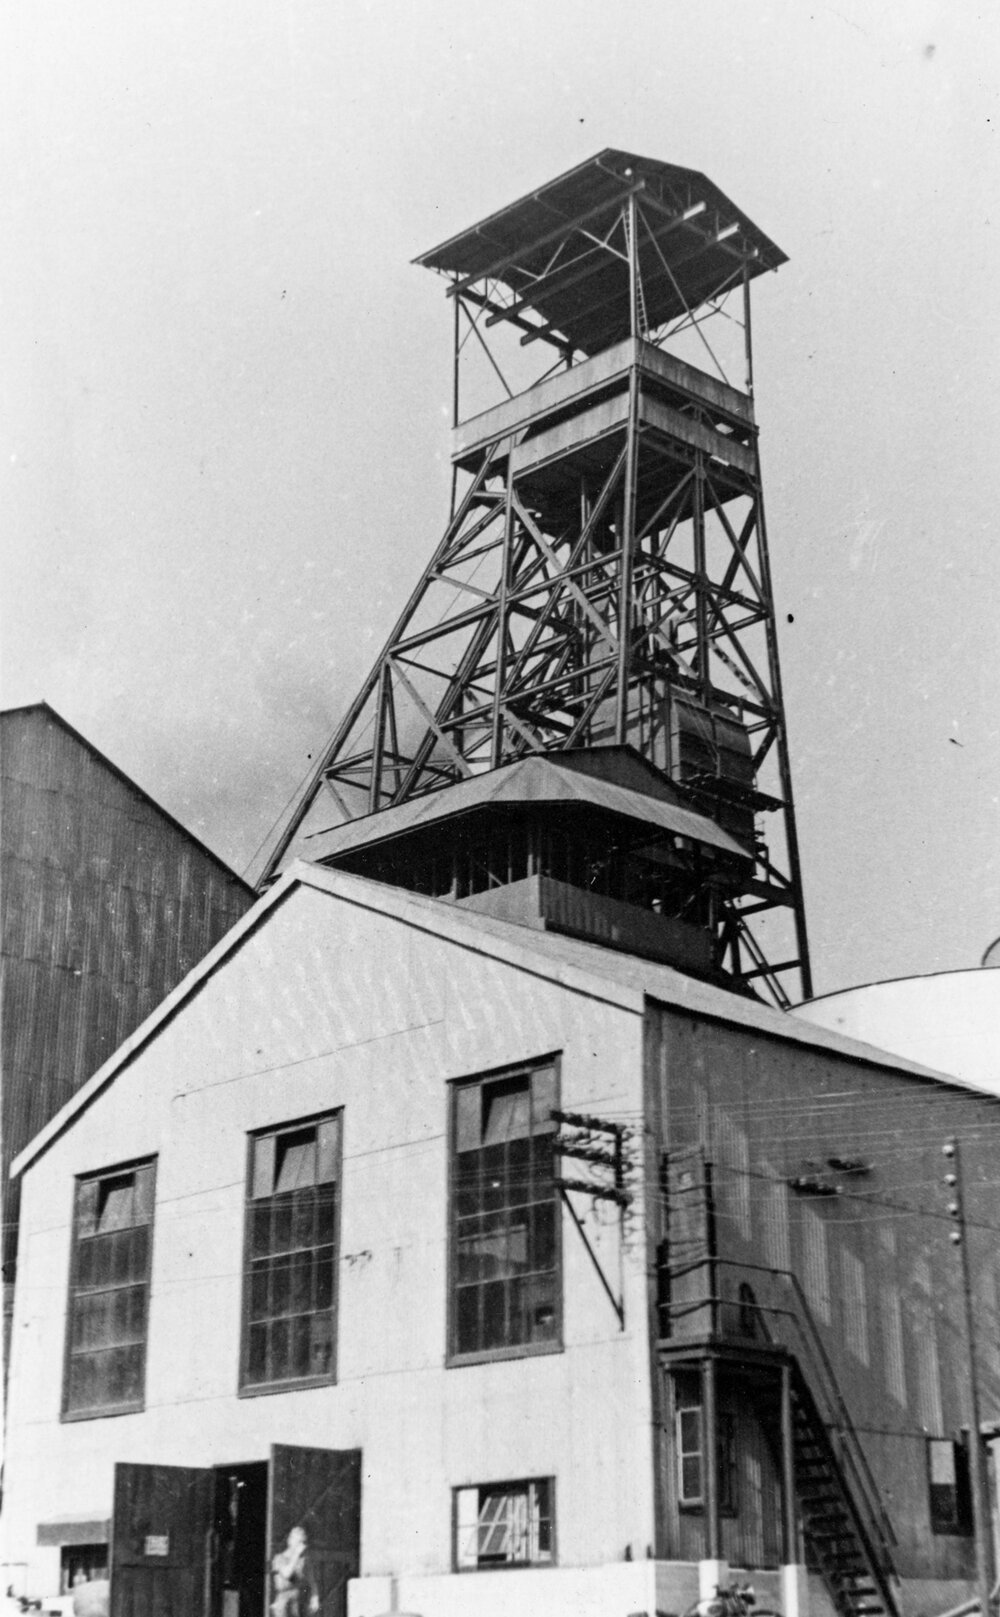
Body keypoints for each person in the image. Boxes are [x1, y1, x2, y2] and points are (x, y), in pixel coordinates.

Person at [270, 1525, 319, 1617]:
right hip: (283, 1603)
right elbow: (286, 1574)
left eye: (300, 1540)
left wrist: (315, 1596)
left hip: (298, 1602)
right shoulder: (279, 1558)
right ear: (289, 1539)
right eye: (293, 1536)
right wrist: (296, 1554)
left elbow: (311, 1579)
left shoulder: (303, 1560)